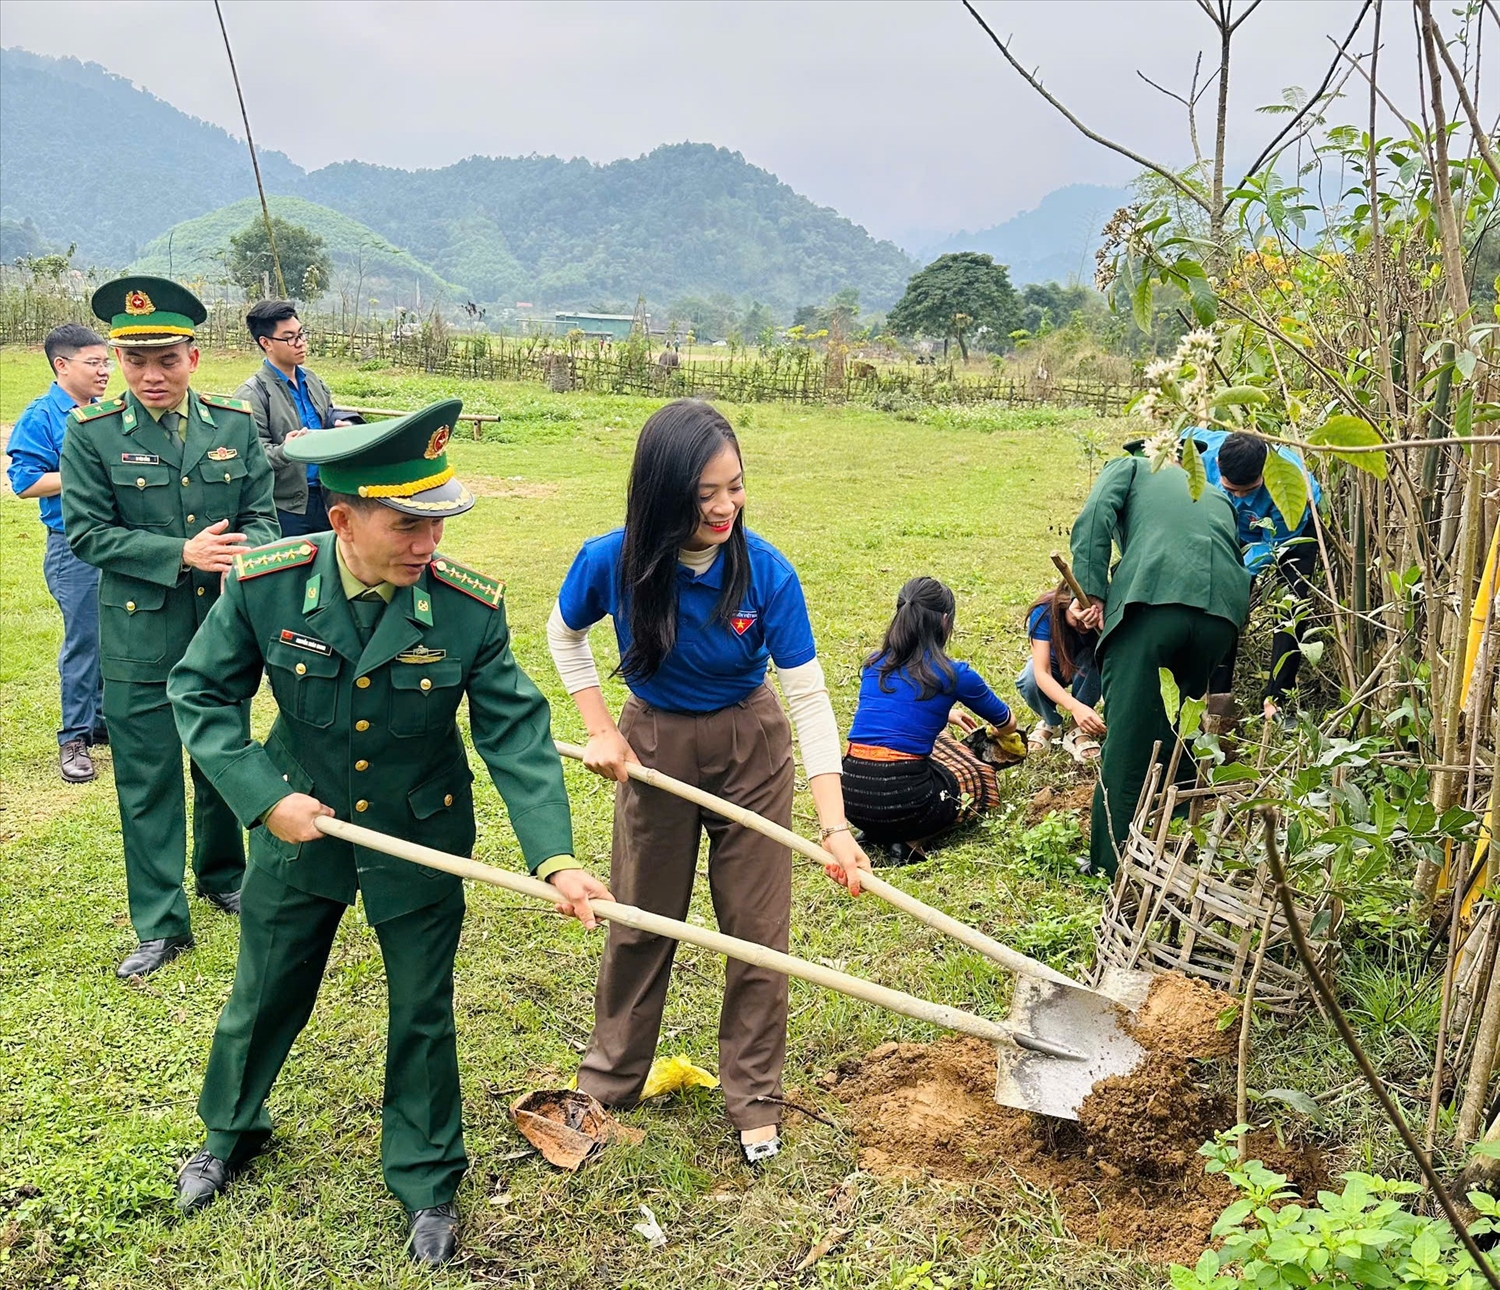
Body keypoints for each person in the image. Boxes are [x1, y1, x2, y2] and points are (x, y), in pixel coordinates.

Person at [166, 399, 610, 1266]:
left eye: (437, 525)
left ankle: (426, 1176)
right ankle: (229, 1131)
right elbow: (201, 694)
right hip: (299, 828)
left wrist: (555, 857)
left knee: (421, 1010)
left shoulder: (466, 609)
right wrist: (263, 797)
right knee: (266, 989)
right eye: (407, 525)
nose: (426, 546)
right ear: (342, 519)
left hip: (422, 831)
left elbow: (513, 733)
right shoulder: (265, 585)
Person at [546, 398, 870, 1165]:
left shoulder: (767, 572)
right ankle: (609, 1081)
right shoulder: (612, 560)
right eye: (704, 494)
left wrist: (834, 826)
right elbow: (564, 637)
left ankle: (754, 1097)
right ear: (663, 493)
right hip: (652, 744)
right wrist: (601, 728)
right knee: (639, 920)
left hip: (751, 747)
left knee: (758, 933)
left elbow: (809, 697)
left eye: (735, 486)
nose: (726, 506)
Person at [60, 276, 278, 979]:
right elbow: (88, 533)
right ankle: (160, 922)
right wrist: (180, 553)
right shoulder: (92, 433)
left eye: (166, 359)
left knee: (221, 760)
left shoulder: (235, 426)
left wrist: (242, 561)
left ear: (194, 357)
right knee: (149, 779)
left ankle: (224, 877)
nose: (151, 376)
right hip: (138, 637)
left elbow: (262, 518)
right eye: (134, 360)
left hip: (219, 628)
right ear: (118, 362)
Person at [1071, 446, 1251, 877]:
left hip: (1154, 602)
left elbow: (1095, 515)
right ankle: (1176, 849)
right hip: (1221, 617)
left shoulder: (1131, 467)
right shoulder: (1213, 492)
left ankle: (1109, 863)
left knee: (1129, 736)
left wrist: (1093, 589)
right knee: (1180, 725)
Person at [841, 576, 1017, 862]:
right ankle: (910, 840)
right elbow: (1006, 722)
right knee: (972, 775)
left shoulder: (875, 664)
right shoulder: (955, 674)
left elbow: (895, 708)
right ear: (945, 621)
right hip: (907, 799)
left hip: (850, 794)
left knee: (926, 749)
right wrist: (1005, 734)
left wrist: (945, 712)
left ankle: (876, 830)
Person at [6, 324, 112, 782]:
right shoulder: (44, 415)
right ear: (62, 365)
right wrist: (82, 475)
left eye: (107, 362)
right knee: (85, 641)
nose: (105, 371)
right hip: (74, 547)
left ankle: (105, 722)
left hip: (113, 542)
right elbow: (26, 482)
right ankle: (74, 738)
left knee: (116, 635)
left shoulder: (105, 411)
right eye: (95, 363)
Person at [1193, 428, 1322, 725]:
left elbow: (1272, 547)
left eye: (1246, 491)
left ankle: (1277, 701)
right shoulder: (1203, 450)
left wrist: (1235, 572)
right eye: (1230, 488)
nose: (1238, 496)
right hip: (1230, 524)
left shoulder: (1291, 489)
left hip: (1287, 533)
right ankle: (1218, 694)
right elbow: (1172, 448)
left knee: (1291, 607)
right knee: (1221, 602)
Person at [236, 299, 350, 536]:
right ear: (266, 343)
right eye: (289, 338)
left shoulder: (312, 380)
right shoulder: (253, 394)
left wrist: (341, 424)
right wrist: (287, 450)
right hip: (285, 508)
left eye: (301, 334)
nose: (300, 344)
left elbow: (327, 414)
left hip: (329, 495)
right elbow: (250, 457)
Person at [1016, 581, 1104, 760]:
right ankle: (1051, 723)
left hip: (1087, 667)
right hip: (1054, 665)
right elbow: (1042, 673)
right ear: (1065, 604)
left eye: (1090, 619)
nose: (1085, 624)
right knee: (1029, 677)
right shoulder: (1044, 612)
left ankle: (1077, 729)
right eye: (1078, 617)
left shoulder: (1105, 613)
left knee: (1095, 658)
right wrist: (1074, 706)